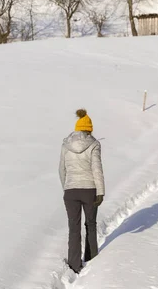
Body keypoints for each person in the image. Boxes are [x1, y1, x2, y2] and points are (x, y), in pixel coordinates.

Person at [59, 109, 105, 273]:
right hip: (89, 190)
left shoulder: (66, 144)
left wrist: (67, 186)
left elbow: (61, 169)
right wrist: (101, 191)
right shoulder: (94, 144)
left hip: (71, 191)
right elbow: (97, 169)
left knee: (74, 227)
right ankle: (91, 261)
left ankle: (74, 265)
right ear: (89, 129)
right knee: (90, 224)